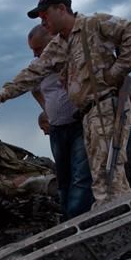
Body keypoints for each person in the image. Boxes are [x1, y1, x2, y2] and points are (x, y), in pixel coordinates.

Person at [0, 0, 131, 205]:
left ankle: (115, 226)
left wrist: (114, 73)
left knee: (107, 175)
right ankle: (128, 224)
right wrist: (1, 95)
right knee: (105, 177)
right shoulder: (59, 45)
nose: (43, 21)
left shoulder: (93, 24)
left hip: (105, 106)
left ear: (61, 9)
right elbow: (33, 72)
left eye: (45, 14)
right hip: (88, 114)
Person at [29, 25, 94, 219]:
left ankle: (78, 221)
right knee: (63, 177)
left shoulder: (72, 56)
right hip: (57, 128)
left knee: (81, 176)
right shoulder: (38, 65)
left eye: (38, 48)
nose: (35, 53)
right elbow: (33, 89)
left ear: (52, 40)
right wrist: (47, 109)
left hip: (79, 125)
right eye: (32, 50)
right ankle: (67, 219)